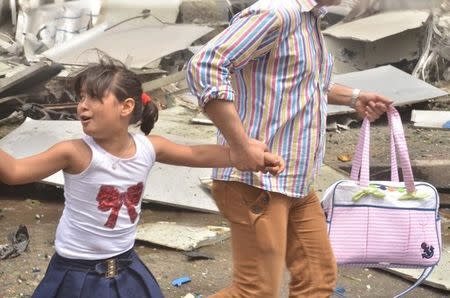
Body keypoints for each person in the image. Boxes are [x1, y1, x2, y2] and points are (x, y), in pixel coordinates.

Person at [0, 58, 285, 298]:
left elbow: (196, 154)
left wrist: (247, 154)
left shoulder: (148, 147)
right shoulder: (75, 152)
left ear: (126, 107)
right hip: (76, 272)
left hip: (126, 268)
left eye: (94, 97)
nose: (82, 106)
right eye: (81, 97)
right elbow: (14, 172)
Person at [186, 0, 393, 297]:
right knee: (255, 291)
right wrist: (240, 145)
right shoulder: (276, 13)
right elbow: (205, 64)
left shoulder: (310, 19)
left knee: (317, 278)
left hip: (295, 179)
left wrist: (354, 97)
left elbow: (305, 83)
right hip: (257, 180)